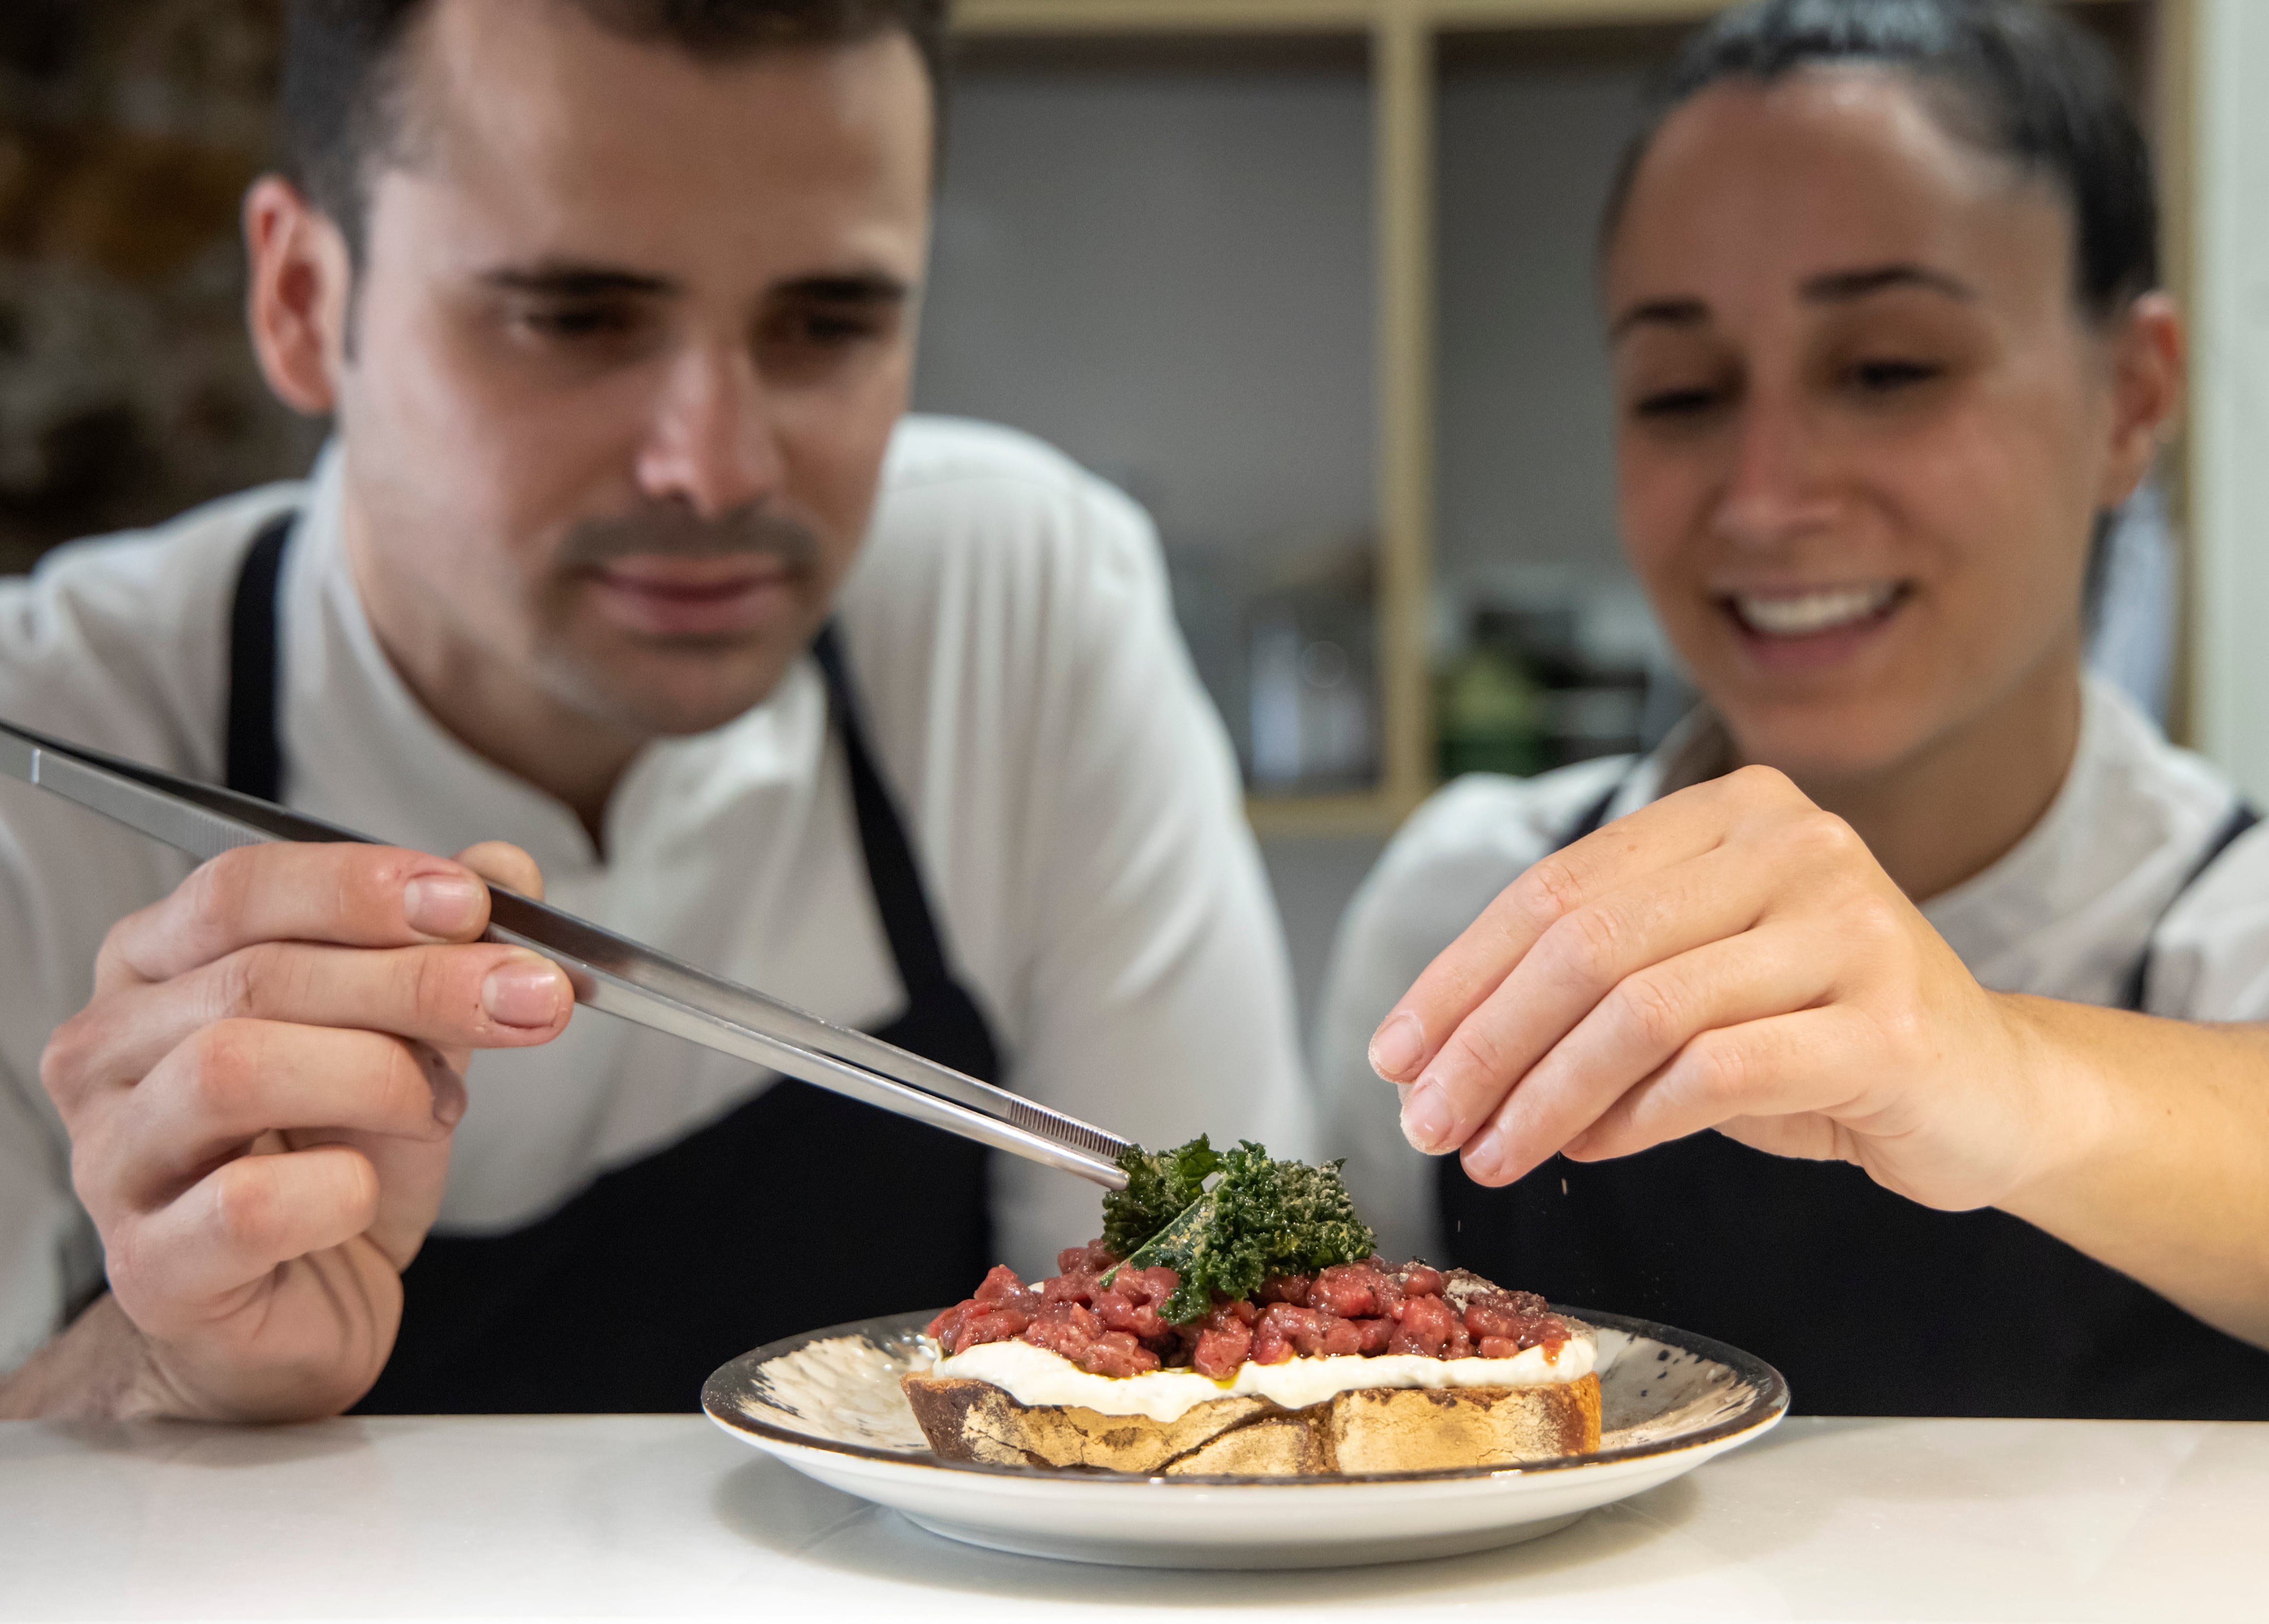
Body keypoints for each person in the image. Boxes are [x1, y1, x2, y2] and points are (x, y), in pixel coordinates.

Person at [0, 0, 1305, 1421]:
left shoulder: (1017, 607)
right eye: (576, 318)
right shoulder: (48, 747)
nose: (719, 467)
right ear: (305, 300)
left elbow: (1227, 1394)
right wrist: (152, 1371)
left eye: (825, 322)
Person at [1319, 0, 2269, 1422]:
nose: (1770, 496)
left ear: (2131, 401)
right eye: (1681, 390)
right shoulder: (1475, 912)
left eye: (1890, 370)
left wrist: (1999, 1067)